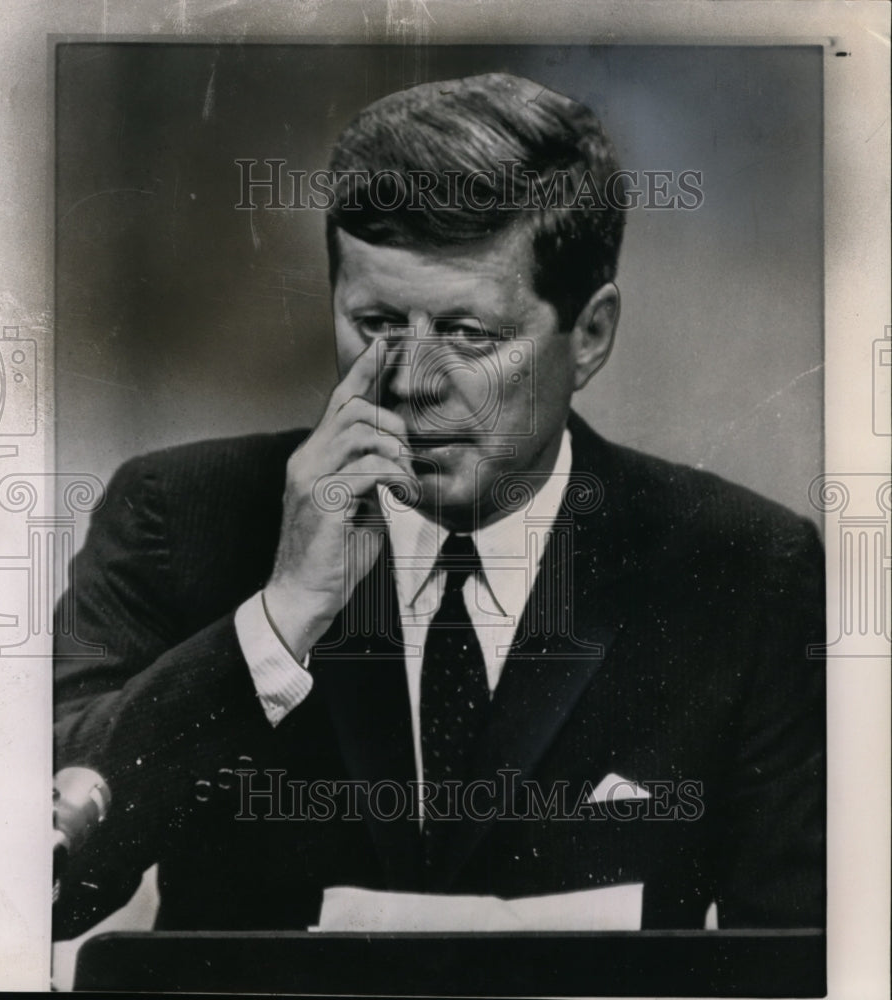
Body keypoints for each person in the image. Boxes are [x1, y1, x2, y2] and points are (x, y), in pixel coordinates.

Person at [53, 73, 825, 938]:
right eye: (376, 323)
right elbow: (36, 883)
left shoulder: (744, 568)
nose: (411, 383)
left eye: (469, 335)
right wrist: (279, 619)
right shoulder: (181, 516)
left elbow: (806, 956)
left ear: (592, 335)